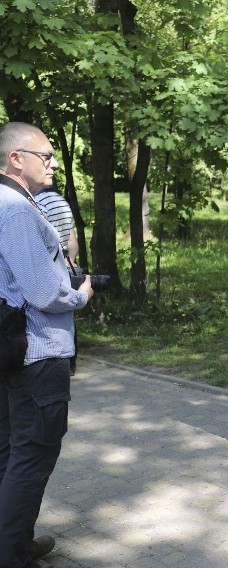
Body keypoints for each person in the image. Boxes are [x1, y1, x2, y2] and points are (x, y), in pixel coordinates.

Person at [0, 122, 94, 567]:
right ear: (17, 158)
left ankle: (14, 541)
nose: (54, 163)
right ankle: (13, 552)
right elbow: (44, 292)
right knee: (32, 455)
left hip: (14, 350)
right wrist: (82, 295)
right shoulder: (15, 208)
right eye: (47, 155)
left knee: (11, 450)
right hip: (37, 350)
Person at [34, 187, 80, 375]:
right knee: (67, 312)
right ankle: (70, 361)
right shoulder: (63, 203)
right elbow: (72, 242)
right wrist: (71, 261)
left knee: (47, 312)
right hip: (63, 267)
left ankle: (52, 359)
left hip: (46, 266)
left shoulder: (36, 203)